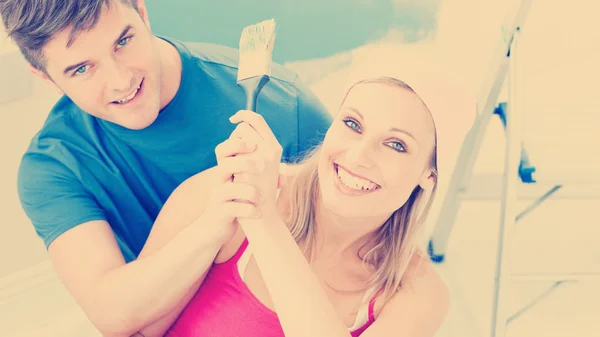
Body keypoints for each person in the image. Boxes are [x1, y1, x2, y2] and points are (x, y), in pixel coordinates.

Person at [2, 0, 331, 335]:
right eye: (82, 69)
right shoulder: (53, 166)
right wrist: (215, 225)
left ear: (142, 13)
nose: (120, 81)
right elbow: (113, 315)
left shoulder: (287, 108)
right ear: (46, 78)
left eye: (123, 42)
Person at [140, 52, 477, 336]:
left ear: (428, 176)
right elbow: (136, 326)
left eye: (396, 145)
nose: (359, 156)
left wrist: (262, 219)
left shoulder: (418, 294)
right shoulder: (225, 193)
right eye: (352, 124)